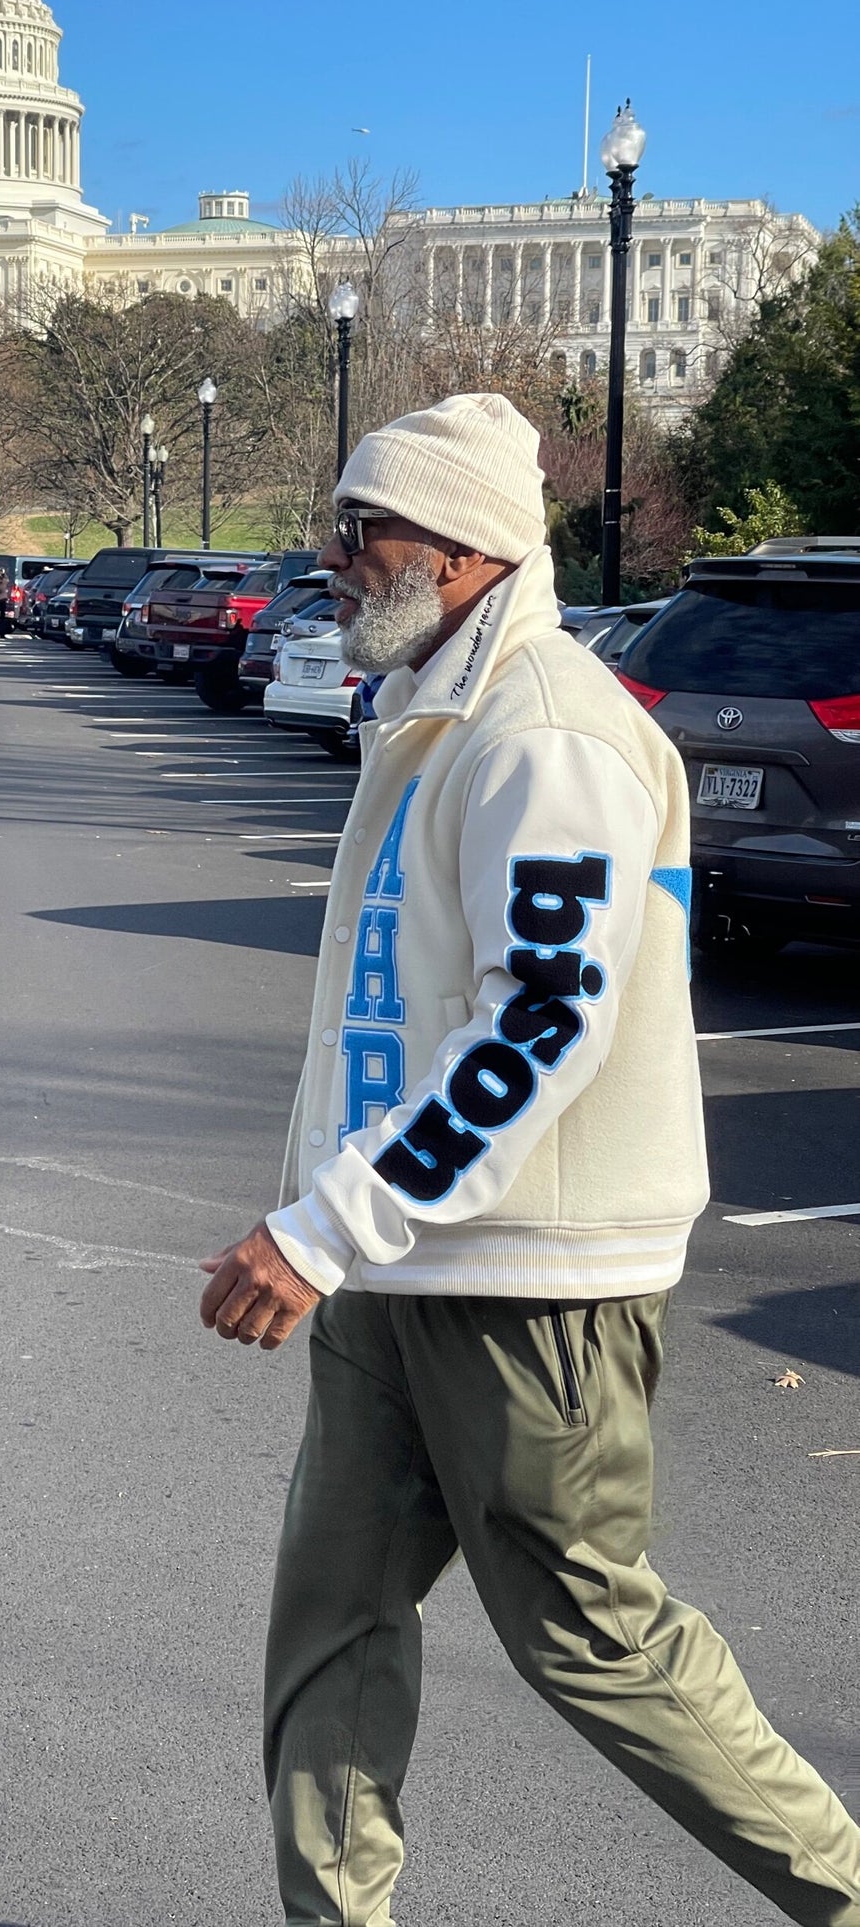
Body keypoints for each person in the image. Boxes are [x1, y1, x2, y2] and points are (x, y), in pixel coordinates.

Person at [199, 393, 860, 1927]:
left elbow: (539, 1023)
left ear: (466, 550)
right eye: (338, 523)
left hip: (530, 1284)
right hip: (400, 1261)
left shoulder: (546, 730)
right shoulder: (438, 708)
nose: (334, 555)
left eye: (363, 530)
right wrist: (338, 1225)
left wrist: (321, 1225)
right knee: (333, 1620)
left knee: (593, 1638)